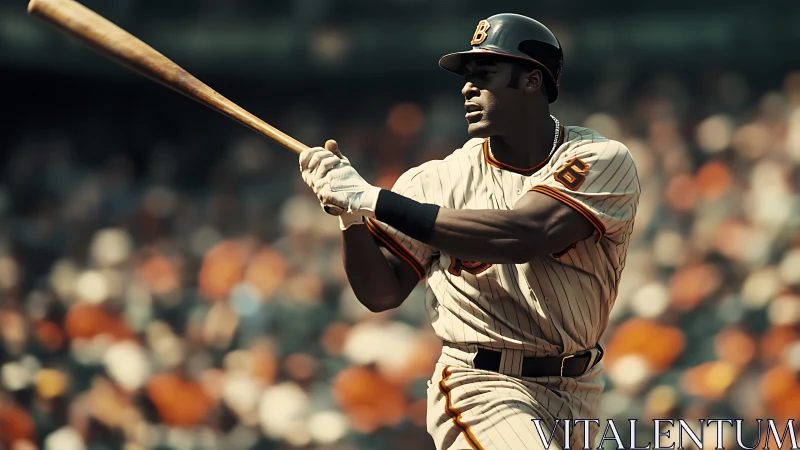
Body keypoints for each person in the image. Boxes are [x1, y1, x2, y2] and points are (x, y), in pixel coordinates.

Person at [298, 13, 640, 450]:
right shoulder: (434, 181)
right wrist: (349, 215)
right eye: (466, 76)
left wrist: (372, 199)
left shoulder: (600, 158)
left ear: (532, 81)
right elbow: (381, 293)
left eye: (485, 74)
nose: (466, 87)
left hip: (580, 389)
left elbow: (523, 233)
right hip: (480, 383)